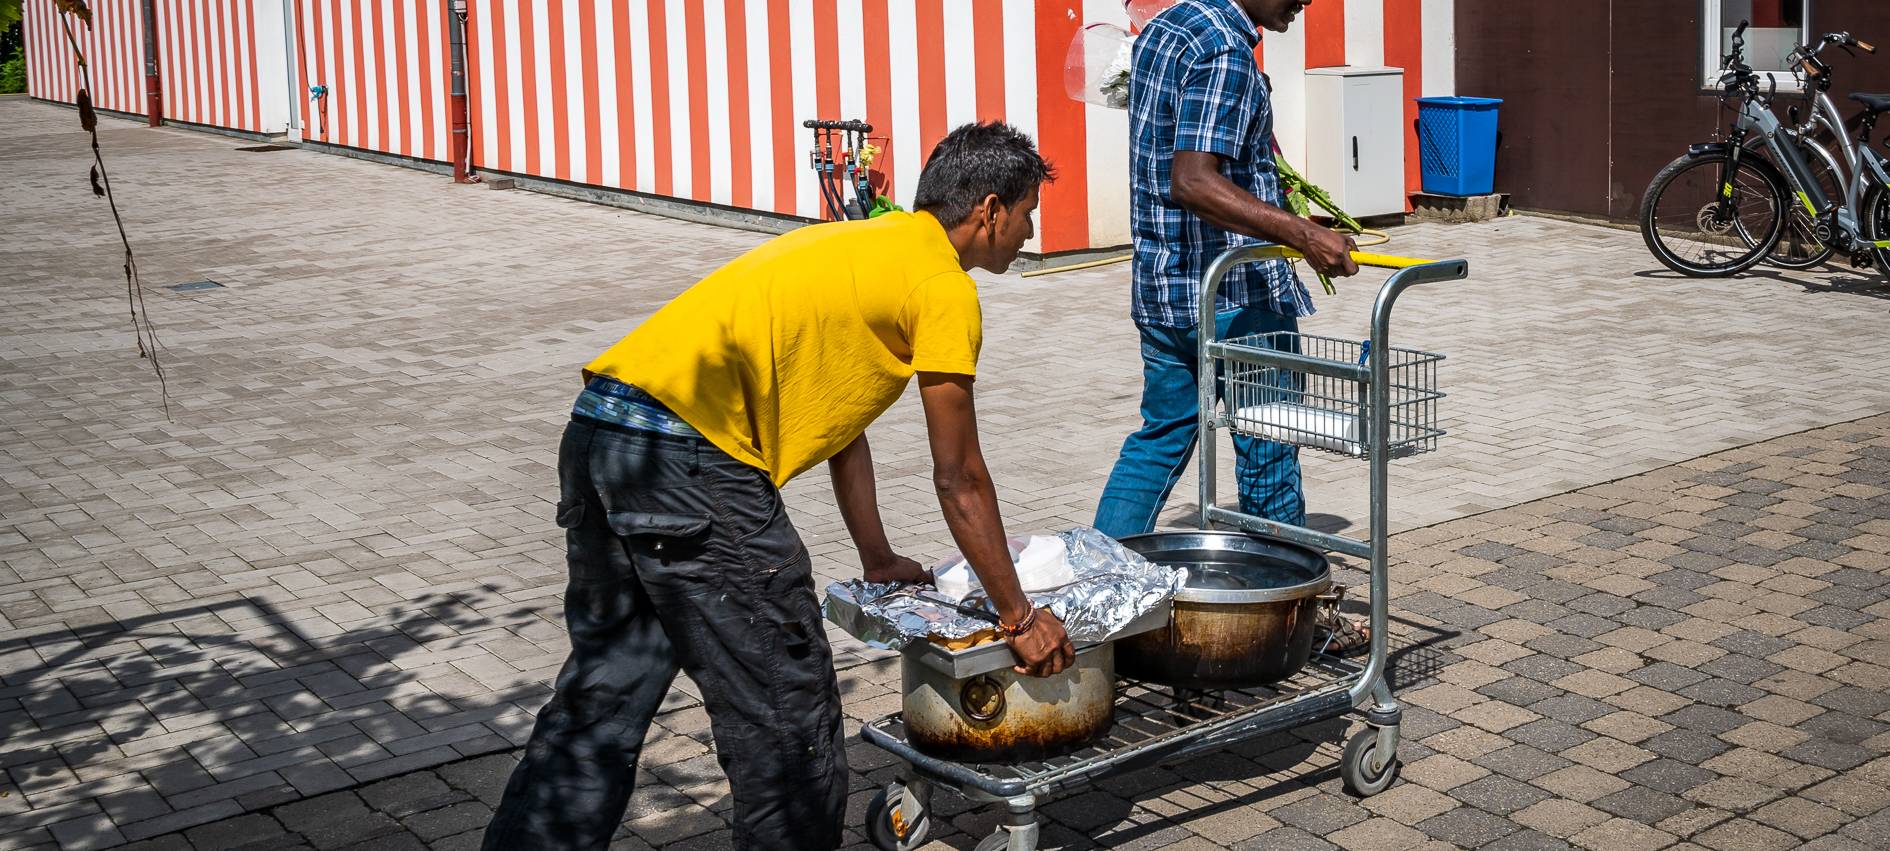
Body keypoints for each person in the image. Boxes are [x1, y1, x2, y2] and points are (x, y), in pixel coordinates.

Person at [479, 122, 1075, 851]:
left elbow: (839, 421)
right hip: (691, 462)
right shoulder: (942, 286)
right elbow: (960, 478)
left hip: (603, 432)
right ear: (988, 209)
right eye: (1026, 214)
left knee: (602, 696)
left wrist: (877, 553)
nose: (1029, 231)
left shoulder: (858, 242)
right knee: (788, 718)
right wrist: (1019, 618)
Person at [1094, 0, 1360, 540]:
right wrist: (1303, 235)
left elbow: (1202, 166)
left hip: (1166, 288)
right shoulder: (1224, 49)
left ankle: (1094, 580)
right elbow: (1192, 181)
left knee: (1160, 440)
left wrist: (1288, 214)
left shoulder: (1170, 27)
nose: (1305, 1)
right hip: (1234, 294)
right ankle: (1282, 605)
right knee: (1269, 446)